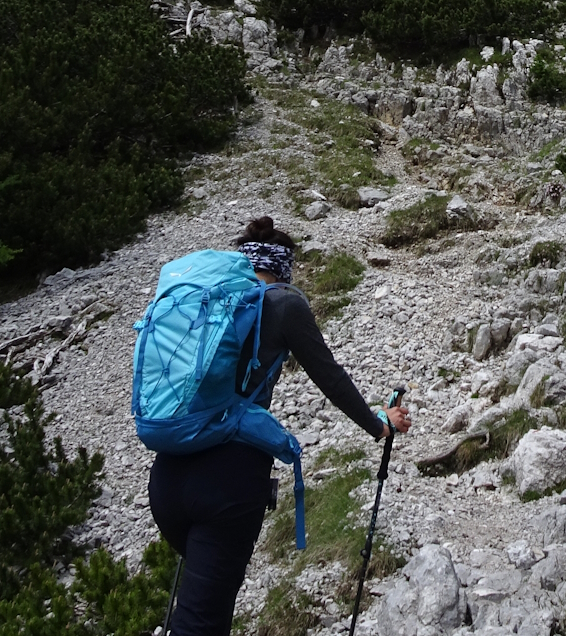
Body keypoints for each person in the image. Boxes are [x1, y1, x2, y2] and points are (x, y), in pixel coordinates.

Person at [147, 216, 412, 636]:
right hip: (228, 482)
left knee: (195, 616)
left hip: (168, 472)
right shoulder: (283, 303)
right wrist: (379, 425)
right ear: (284, 270)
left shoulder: (204, 303)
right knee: (201, 625)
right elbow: (330, 376)